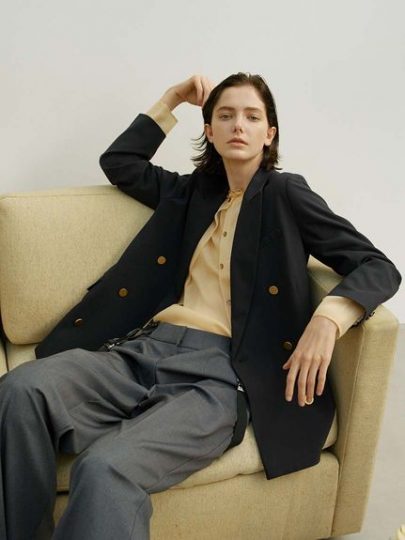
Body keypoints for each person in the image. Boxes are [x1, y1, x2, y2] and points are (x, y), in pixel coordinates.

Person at [0, 73, 401, 540]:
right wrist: (173, 99)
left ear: (269, 133)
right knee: (21, 389)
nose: (238, 125)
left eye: (252, 117)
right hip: (145, 351)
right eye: (225, 115)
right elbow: (120, 162)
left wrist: (328, 320)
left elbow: (377, 265)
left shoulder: (287, 194)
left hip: (221, 377)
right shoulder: (191, 193)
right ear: (209, 131)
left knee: (105, 467)